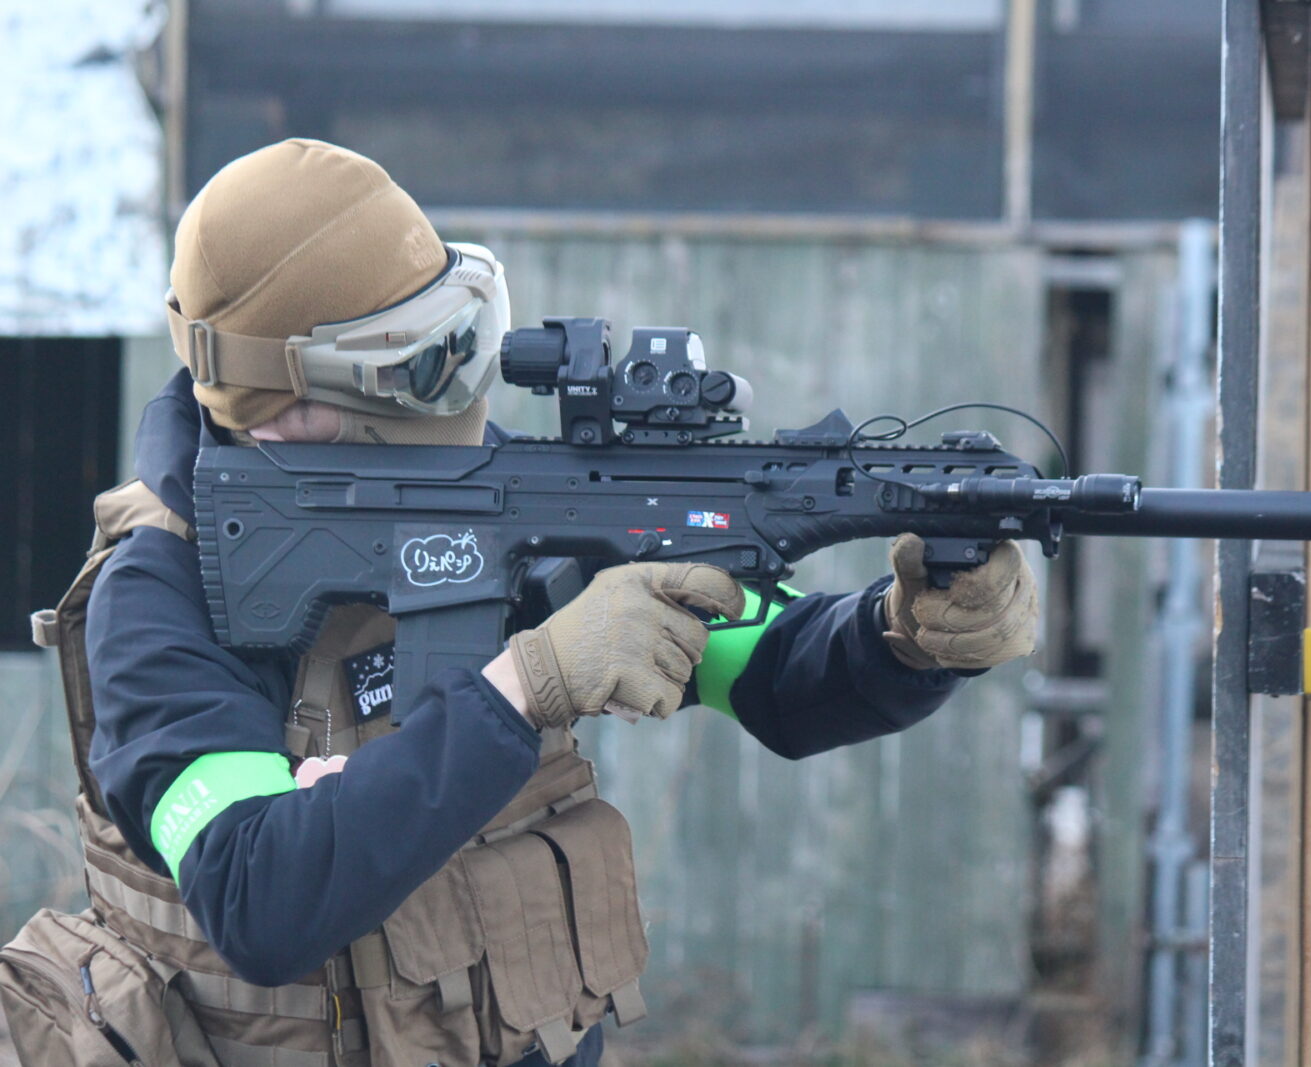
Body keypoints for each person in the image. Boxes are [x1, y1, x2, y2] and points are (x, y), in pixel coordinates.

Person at [0, 139, 1038, 1067]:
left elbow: (771, 671)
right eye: (416, 364)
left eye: (461, 338)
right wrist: (527, 684)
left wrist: (905, 638)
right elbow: (258, 895)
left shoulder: (494, 494)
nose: (463, 394)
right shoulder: (160, 592)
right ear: (286, 399)